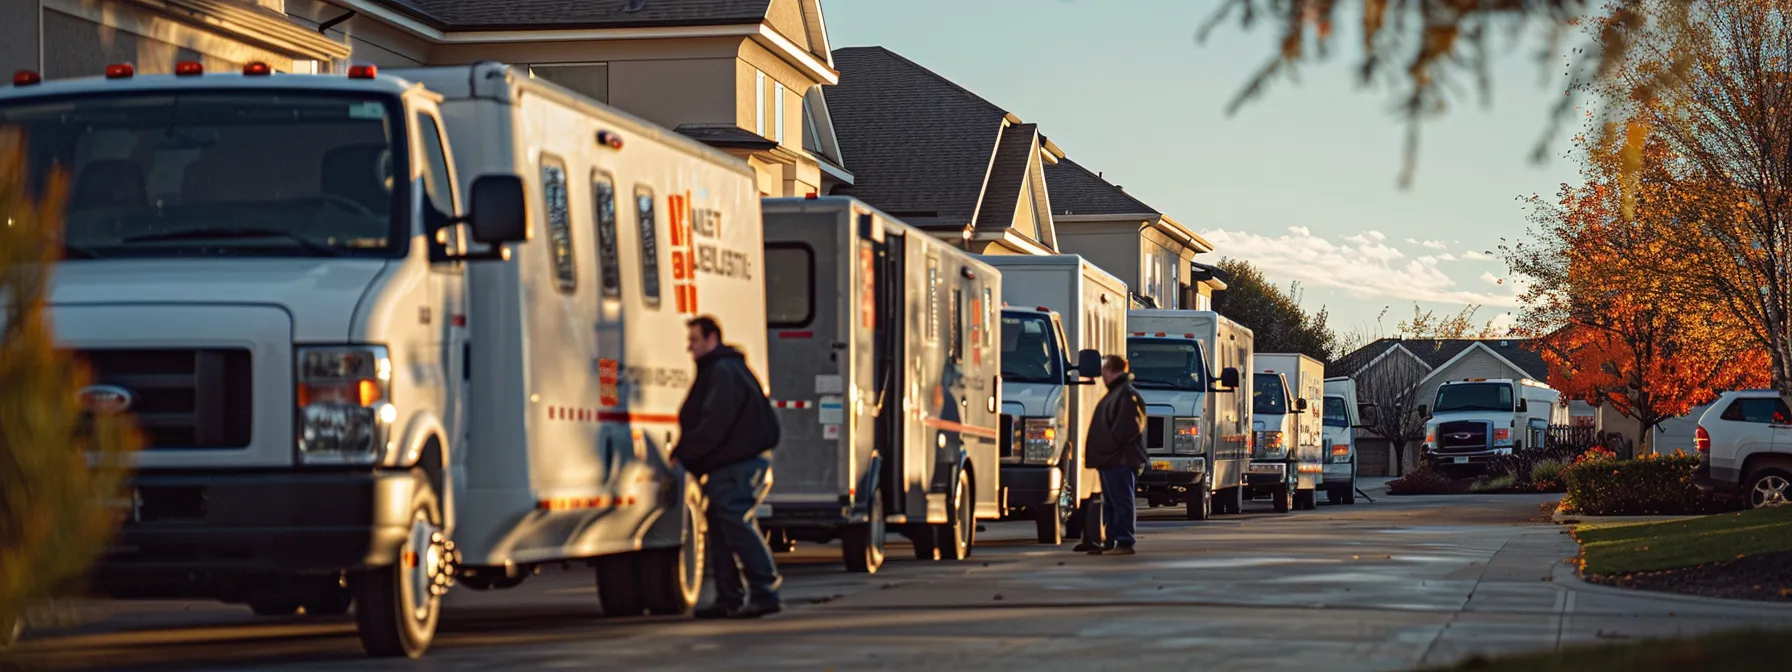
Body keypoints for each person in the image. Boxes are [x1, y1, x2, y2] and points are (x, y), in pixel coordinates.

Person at [670, 315, 783, 618]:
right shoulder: (723, 369)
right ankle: (729, 596)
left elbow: (714, 422)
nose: (689, 347)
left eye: (694, 340)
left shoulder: (723, 372)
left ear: (712, 339)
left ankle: (765, 591)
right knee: (721, 527)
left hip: (737, 464)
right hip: (732, 463)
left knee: (735, 521)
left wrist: (686, 454)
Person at [1083, 354, 1148, 555]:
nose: (1101, 374)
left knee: (1122, 501)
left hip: (1120, 459)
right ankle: (1111, 540)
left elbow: (1129, 427)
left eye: (1104, 369)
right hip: (1111, 460)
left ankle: (1124, 541)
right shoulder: (1117, 392)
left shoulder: (1127, 394)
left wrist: (1109, 445)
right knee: (1112, 503)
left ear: (1111, 370)